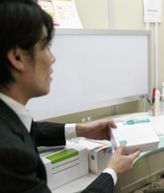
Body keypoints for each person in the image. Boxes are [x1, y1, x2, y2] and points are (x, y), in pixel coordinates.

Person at [0, 0, 140, 193]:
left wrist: (81, 130)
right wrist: (112, 171)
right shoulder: (9, 155)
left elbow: (32, 130)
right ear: (17, 58)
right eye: (46, 47)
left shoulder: (7, 117)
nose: (53, 58)